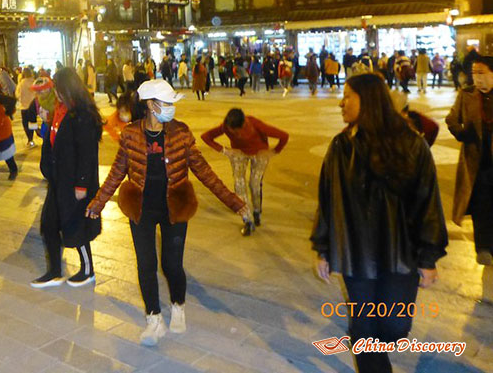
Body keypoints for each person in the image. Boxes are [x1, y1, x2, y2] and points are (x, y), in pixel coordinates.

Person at [86, 79, 247, 346]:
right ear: (150, 105)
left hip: (175, 206)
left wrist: (233, 201)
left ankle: (178, 305)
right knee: (145, 265)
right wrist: (97, 203)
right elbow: (117, 172)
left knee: (172, 264)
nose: (171, 108)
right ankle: (154, 319)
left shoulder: (181, 133)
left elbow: (204, 171)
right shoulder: (130, 134)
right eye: (166, 103)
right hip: (141, 208)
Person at [311, 73, 447, 373]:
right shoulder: (340, 146)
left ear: (369, 100)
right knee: (363, 325)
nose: (340, 102)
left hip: (400, 255)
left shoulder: (411, 144)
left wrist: (428, 258)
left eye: (348, 96)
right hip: (354, 255)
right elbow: (327, 199)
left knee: (395, 327)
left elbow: (428, 202)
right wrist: (323, 248)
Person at [31, 68, 102, 288]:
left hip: (75, 183)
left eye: (60, 90)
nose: (57, 94)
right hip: (58, 179)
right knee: (49, 224)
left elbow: (87, 153)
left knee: (76, 226)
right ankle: (54, 271)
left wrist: (81, 184)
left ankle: (87, 270)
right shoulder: (60, 110)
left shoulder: (82, 115)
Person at [201, 108, 288, 235]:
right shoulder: (226, 126)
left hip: (259, 154)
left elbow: (284, 136)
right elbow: (206, 136)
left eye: (237, 131)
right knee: (239, 185)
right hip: (239, 154)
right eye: (231, 131)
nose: (234, 133)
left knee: (254, 184)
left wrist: (273, 151)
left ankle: (257, 211)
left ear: (243, 124)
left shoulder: (255, 124)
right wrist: (225, 150)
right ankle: (247, 219)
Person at [446, 56, 493, 265]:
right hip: (477, 164)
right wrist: (462, 133)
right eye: (475, 73)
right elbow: (451, 119)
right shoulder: (467, 96)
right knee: (481, 206)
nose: (477, 78)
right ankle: (483, 248)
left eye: (481, 73)